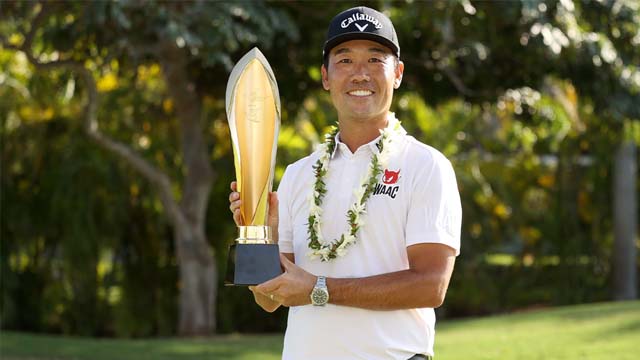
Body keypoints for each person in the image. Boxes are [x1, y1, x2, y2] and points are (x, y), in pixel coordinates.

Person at [229, 6, 461, 360]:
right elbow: (269, 300)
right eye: (345, 60)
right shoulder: (298, 173)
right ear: (325, 76)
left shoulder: (426, 165)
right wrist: (261, 233)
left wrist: (319, 289)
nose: (360, 74)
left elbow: (432, 285)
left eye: (374, 59)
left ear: (397, 73)